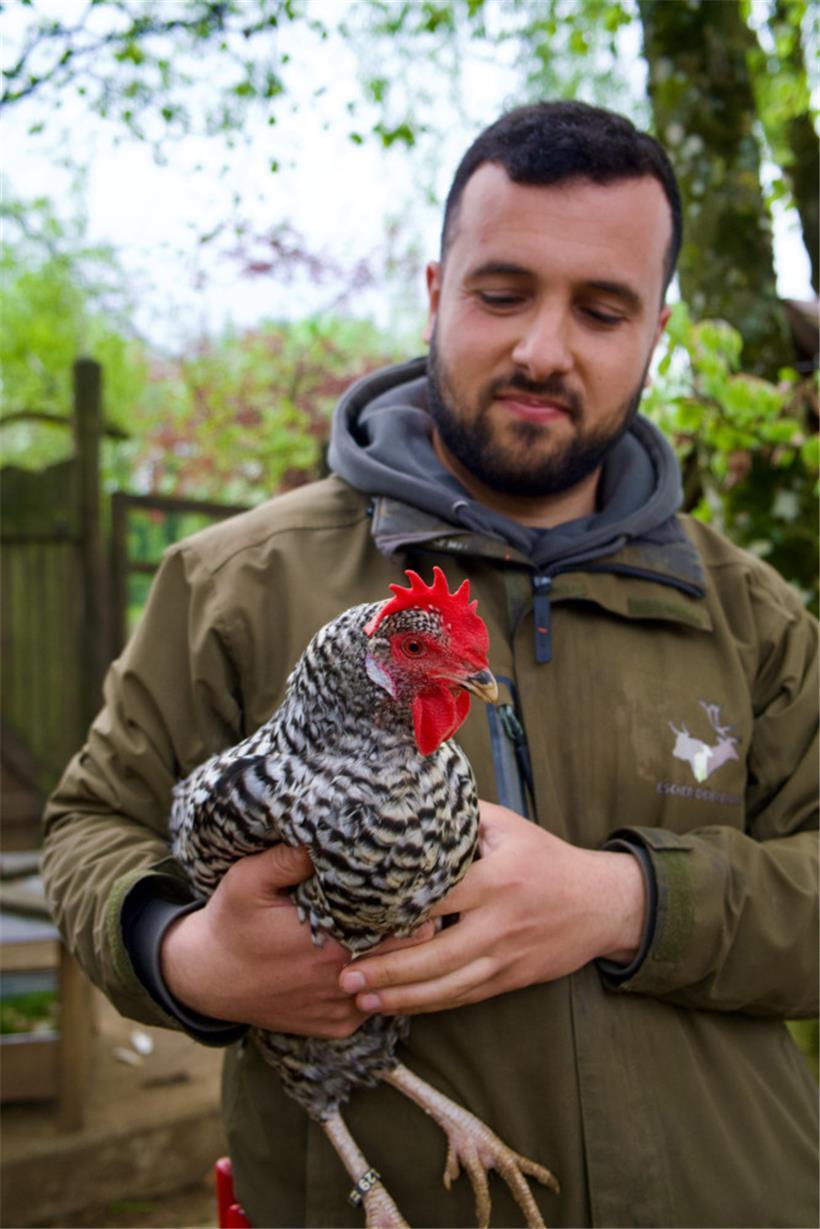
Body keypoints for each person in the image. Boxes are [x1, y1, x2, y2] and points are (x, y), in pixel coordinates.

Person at [42, 100, 818, 1229]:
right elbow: (85, 829)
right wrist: (184, 951)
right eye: (502, 292)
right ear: (434, 291)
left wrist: (629, 901)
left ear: (656, 331)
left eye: (601, 309)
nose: (541, 348)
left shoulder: (751, 614)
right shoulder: (234, 581)